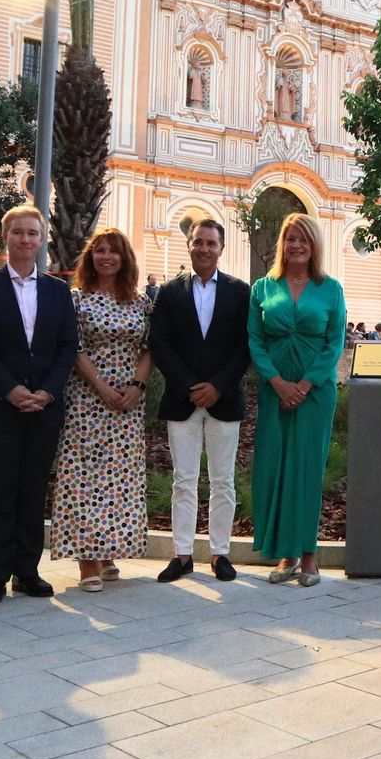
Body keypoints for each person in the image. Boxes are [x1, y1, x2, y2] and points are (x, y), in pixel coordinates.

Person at [0, 205, 78, 606]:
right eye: (18, 233)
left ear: (42, 239)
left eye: (32, 233)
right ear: (5, 238)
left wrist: (47, 391)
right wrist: (8, 389)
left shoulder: (58, 292)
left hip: (44, 408)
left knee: (31, 491)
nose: (25, 240)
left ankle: (27, 571)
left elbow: (67, 348)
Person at [50, 229, 154, 592]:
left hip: (127, 402)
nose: (106, 257)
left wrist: (137, 387)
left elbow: (147, 348)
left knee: (118, 477)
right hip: (87, 399)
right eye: (99, 251)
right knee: (84, 477)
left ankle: (108, 550)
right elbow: (73, 349)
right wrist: (102, 387)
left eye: (113, 251)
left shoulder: (139, 302)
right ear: (90, 258)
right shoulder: (76, 300)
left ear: (125, 258)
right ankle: (86, 560)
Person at [149, 219, 251, 583]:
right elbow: (160, 343)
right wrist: (192, 384)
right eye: (198, 242)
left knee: (223, 480)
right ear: (189, 246)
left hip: (224, 401)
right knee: (183, 480)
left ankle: (220, 553)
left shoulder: (241, 292)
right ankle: (182, 555)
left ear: (221, 249)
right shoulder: (169, 292)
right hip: (183, 398)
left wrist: (218, 386)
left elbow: (245, 346)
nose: (204, 248)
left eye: (211, 243)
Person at [248, 213, 347, 585]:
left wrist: (303, 385)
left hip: (314, 394)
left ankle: (309, 556)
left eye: (303, 239)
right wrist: (276, 381)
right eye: (290, 238)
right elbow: (255, 339)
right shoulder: (263, 287)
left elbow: (334, 342)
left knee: (306, 471)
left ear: (314, 245)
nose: (297, 245)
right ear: (282, 244)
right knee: (275, 469)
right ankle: (285, 555)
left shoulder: (330, 288)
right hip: (275, 391)